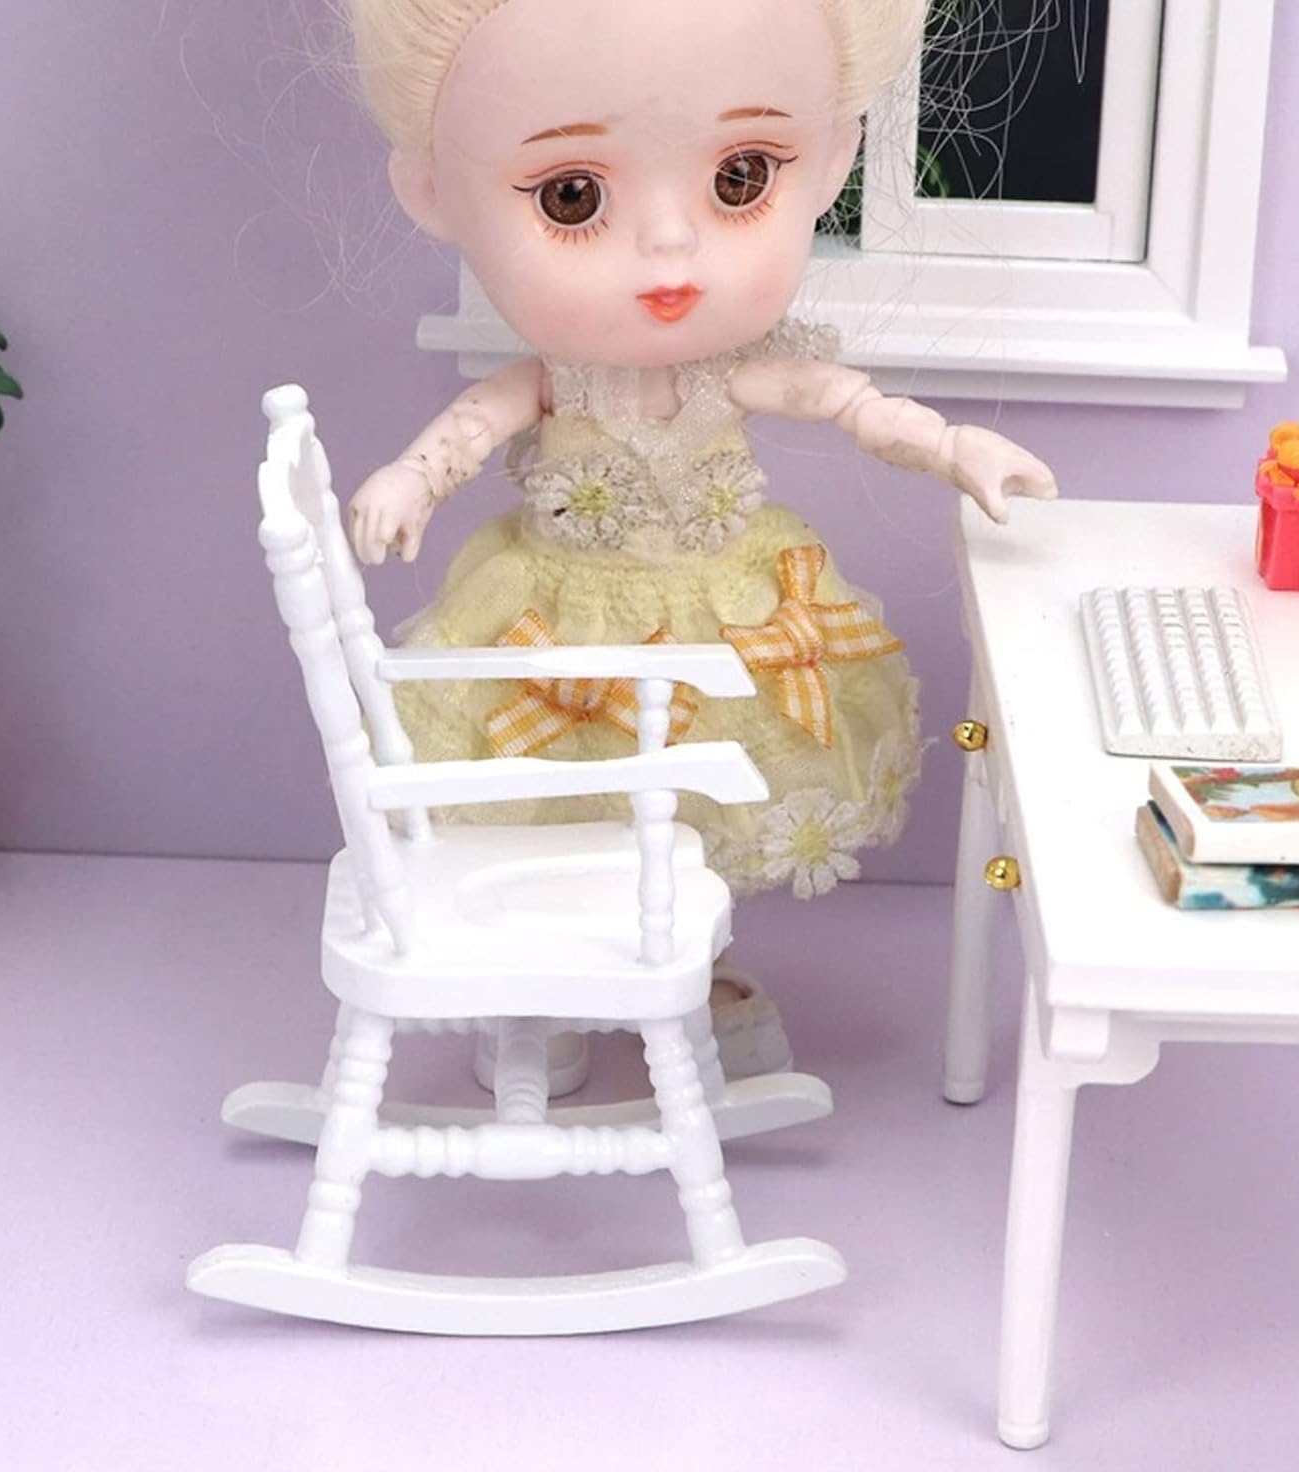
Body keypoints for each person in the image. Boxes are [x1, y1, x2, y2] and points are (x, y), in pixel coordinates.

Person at [343, 0, 1057, 1070]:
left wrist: (953, 445)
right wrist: (412, 477)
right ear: (433, 192)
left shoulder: (735, 371)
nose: (670, 245)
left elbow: (849, 403)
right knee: (564, 800)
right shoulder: (559, 381)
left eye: (741, 178)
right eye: (574, 195)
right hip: (561, 624)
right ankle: (551, 991)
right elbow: (470, 429)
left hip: (722, 621)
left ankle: (693, 965)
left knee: (700, 814)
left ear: (833, 161)